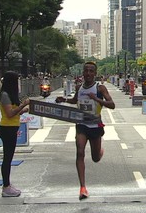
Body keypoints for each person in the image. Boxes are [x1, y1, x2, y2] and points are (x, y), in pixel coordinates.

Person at [55, 61, 115, 200]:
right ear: (82, 72)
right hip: (81, 124)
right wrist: (63, 99)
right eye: (86, 70)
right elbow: (75, 100)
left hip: (95, 126)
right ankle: (82, 187)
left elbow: (112, 105)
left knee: (95, 158)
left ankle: (100, 152)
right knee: (80, 152)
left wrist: (96, 99)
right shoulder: (79, 87)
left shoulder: (100, 89)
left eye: (91, 71)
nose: (88, 73)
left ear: (95, 73)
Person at [0, 71, 30, 197]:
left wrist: (22, 110)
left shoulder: (10, 95)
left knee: (9, 158)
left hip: (11, 128)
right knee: (7, 158)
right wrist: (23, 105)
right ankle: (6, 187)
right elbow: (9, 114)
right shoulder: (5, 95)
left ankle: (7, 185)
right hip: (7, 129)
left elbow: (13, 113)